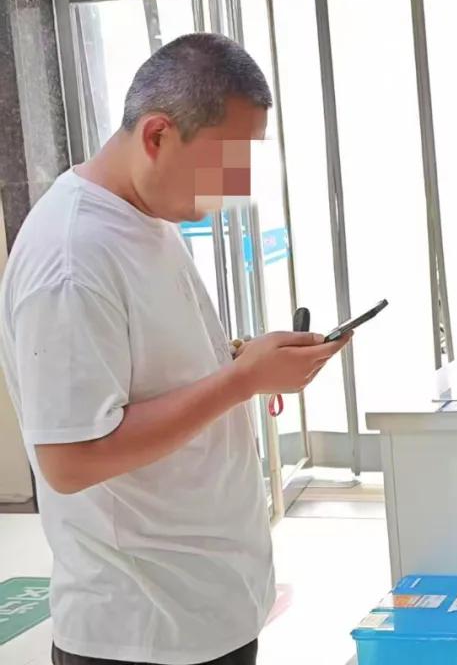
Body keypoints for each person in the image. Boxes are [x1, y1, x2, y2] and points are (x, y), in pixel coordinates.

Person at [0, 33, 350, 665]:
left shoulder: (146, 215)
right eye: (226, 161)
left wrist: (245, 360)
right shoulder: (71, 258)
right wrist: (242, 380)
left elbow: (150, 371)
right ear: (158, 135)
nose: (236, 185)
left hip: (204, 607)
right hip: (140, 632)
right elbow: (70, 459)